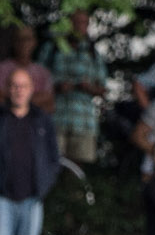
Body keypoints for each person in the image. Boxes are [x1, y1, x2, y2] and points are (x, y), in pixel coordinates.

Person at [0, 65, 59, 235]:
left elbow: (53, 158)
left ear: (31, 89)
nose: (19, 91)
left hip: (32, 199)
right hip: (0, 198)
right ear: (7, 89)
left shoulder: (42, 119)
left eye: (23, 86)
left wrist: (43, 187)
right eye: (14, 86)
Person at [40, 11, 106, 165]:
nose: (80, 27)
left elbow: (103, 88)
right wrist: (57, 87)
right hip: (55, 117)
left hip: (84, 120)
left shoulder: (93, 53)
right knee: (50, 162)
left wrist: (88, 88)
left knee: (78, 168)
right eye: (76, 22)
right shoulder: (52, 48)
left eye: (84, 23)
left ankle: (74, 190)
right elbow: (36, 81)